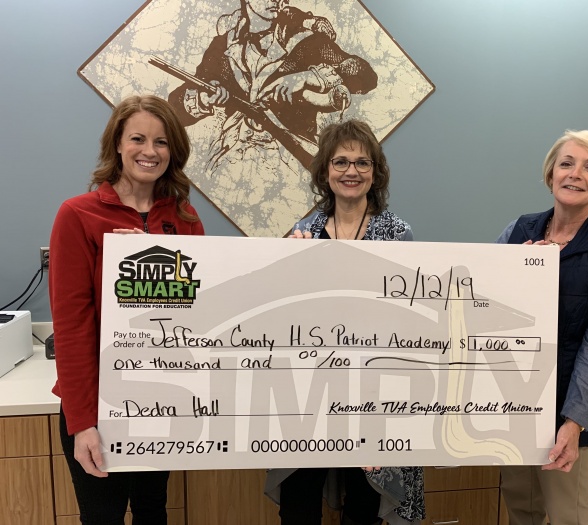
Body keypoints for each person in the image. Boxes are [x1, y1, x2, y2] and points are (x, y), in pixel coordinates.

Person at [49, 95, 205, 525]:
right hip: (98, 405)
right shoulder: (78, 215)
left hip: (160, 399)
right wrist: (83, 422)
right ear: (117, 144)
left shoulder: (186, 218)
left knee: (153, 511)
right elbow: (72, 327)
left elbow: (197, 313)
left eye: (161, 142)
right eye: (138, 138)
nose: (149, 151)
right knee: (103, 517)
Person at [264, 119, 422, 525]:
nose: (351, 171)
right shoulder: (303, 233)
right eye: (341, 162)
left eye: (362, 162)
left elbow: (410, 319)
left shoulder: (398, 234)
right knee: (298, 504)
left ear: (375, 172)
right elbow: (283, 316)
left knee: (364, 507)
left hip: (374, 392)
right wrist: (285, 266)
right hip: (310, 394)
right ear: (325, 170)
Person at [496, 130, 588, 525]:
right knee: (521, 509)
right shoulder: (517, 233)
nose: (575, 174)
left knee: (568, 516)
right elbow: (481, 307)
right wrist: (511, 273)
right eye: (566, 163)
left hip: (564, 415)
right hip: (513, 406)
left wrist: (573, 423)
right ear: (551, 174)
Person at [166, 0, 378, 236]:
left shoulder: (308, 41)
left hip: (292, 162)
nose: (275, 1)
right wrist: (205, 97)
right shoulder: (224, 44)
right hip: (232, 160)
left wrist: (308, 77)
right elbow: (175, 108)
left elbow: (364, 75)